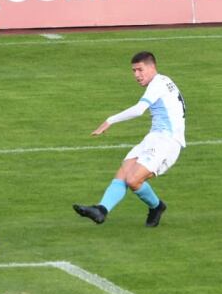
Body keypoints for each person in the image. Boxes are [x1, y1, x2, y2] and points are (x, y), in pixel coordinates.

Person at [73, 51, 185, 227]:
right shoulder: (163, 81)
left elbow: (139, 109)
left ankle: (157, 207)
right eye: (134, 71)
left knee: (133, 180)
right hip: (155, 137)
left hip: (167, 141)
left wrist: (110, 120)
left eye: (140, 70)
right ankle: (101, 210)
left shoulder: (158, 84)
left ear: (152, 67)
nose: (137, 75)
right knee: (124, 172)